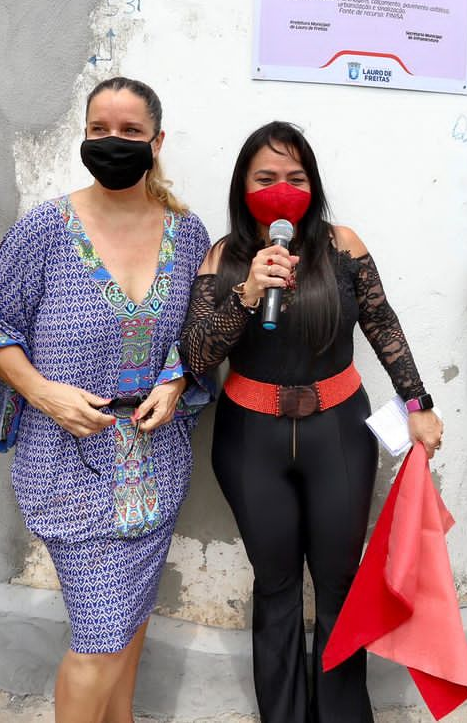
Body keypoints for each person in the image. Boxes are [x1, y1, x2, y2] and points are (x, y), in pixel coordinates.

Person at [182, 122, 443, 723]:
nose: (281, 189)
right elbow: (196, 355)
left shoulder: (343, 245)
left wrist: (417, 404)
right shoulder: (224, 256)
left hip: (340, 434)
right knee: (274, 586)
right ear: (243, 186)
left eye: (295, 178)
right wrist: (248, 293)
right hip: (251, 438)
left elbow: (383, 325)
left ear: (314, 184)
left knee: (338, 583)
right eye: (266, 178)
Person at [0, 77, 210, 723]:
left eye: (130, 132)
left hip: (157, 462)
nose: (112, 142)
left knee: (130, 622)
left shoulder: (189, 236)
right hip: (68, 465)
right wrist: (44, 394)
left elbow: (202, 332)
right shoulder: (45, 231)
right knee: (98, 641)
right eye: (99, 130)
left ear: (157, 142)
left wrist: (177, 379)